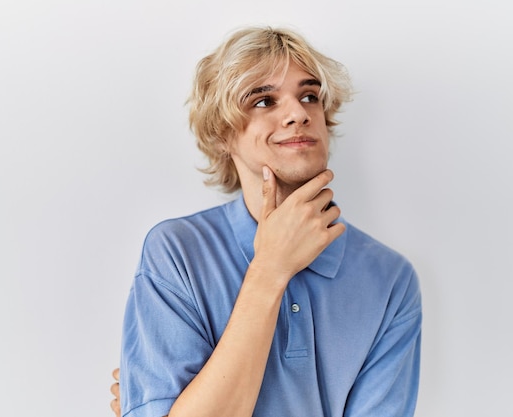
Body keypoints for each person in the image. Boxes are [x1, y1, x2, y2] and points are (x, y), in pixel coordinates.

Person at [112, 26, 422, 417]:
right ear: (222, 133)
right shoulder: (176, 253)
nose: (298, 114)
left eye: (310, 97)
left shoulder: (390, 279)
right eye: (263, 100)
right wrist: (270, 270)